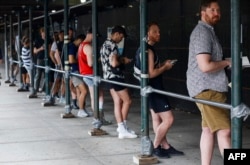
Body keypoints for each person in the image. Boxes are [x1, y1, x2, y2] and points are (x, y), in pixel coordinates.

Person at [186, 0, 231, 164]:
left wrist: (225, 61)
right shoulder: (203, 32)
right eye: (213, 10)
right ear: (203, 12)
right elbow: (205, 66)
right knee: (225, 131)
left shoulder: (208, 31)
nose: (217, 13)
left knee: (207, 130)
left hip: (205, 88)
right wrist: (227, 63)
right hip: (208, 89)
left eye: (219, 10)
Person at [134, 22, 184, 158]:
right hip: (154, 89)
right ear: (148, 34)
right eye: (155, 32)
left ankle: (165, 146)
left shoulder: (143, 48)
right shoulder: (148, 50)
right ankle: (156, 146)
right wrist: (165, 68)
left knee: (156, 119)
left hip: (150, 89)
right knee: (168, 119)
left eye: (159, 31)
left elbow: (149, 70)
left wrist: (162, 64)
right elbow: (150, 74)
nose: (159, 34)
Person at [100, 25, 137, 139]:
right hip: (115, 76)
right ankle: (123, 128)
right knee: (128, 100)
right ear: (117, 34)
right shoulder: (113, 45)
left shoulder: (104, 45)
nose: (121, 40)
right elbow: (114, 63)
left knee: (117, 102)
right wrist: (123, 61)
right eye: (121, 37)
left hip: (108, 76)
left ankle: (121, 128)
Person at [78, 27, 112, 125]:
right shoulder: (88, 47)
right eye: (95, 36)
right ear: (91, 34)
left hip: (86, 74)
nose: (95, 38)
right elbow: (90, 63)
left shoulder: (81, 45)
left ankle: (99, 118)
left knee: (98, 96)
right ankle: (97, 118)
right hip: (90, 74)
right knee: (95, 97)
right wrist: (99, 60)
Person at [68, 34, 89, 118]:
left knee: (80, 91)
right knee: (84, 91)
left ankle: (83, 109)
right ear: (80, 40)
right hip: (75, 71)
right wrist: (81, 61)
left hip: (77, 71)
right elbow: (71, 60)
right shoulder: (72, 47)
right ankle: (81, 110)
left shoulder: (75, 47)